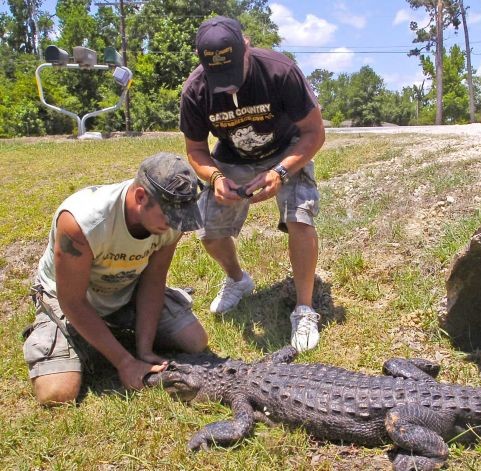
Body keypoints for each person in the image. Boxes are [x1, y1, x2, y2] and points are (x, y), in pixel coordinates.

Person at [180, 16, 326, 352]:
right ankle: (237, 280)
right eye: (220, 79)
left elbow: (314, 133)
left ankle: (304, 309)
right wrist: (215, 177)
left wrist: (281, 172)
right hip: (232, 159)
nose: (229, 87)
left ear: (247, 45)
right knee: (208, 231)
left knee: (300, 217)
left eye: (233, 73)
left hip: (288, 151)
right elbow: (196, 149)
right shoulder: (195, 90)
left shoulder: (279, 70)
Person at [23, 152, 208, 406]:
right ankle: (63, 333)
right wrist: (125, 362)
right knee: (57, 394)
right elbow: (73, 301)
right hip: (69, 298)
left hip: (125, 287)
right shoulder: (82, 223)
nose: (175, 225)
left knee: (195, 341)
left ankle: (108, 335)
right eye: (169, 217)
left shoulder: (169, 223)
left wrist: (144, 349)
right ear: (141, 197)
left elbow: (153, 280)